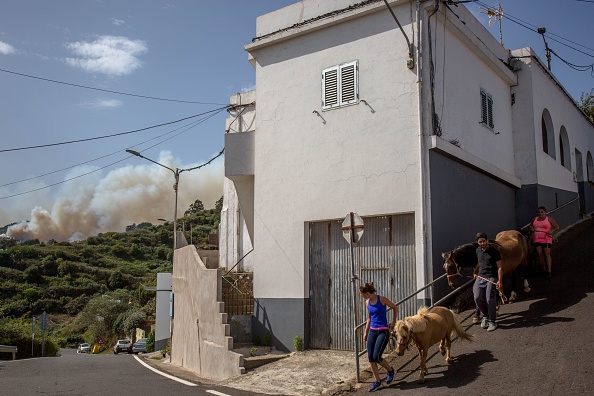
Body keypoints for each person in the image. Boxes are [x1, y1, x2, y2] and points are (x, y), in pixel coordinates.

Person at [359, 282, 398, 392]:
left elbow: (395, 308)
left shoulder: (382, 299)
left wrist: (394, 322)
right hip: (372, 331)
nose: (360, 296)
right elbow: (369, 318)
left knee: (376, 356)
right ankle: (377, 381)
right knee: (371, 358)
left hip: (383, 332)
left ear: (366, 293)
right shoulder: (367, 303)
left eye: (361, 294)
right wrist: (366, 332)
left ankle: (390, 371)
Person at [473, 232, 502, 332]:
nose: (482, 243)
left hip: (491, 277)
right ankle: (485, 316)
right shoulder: (478, 250)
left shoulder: (494, 251)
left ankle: (492, 321)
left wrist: (499, 281)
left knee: (490, 299)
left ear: (487, 240)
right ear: (477, 242)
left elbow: (500, 267)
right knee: (477, 297)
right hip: (480, 277)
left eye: (483, 241)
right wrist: (475, 272)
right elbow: (480, 262)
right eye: (480, 242)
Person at [530, 206, 559, 278]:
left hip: (546, 238)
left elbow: (556, 227)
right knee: (539, 254)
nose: (540, 214)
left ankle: (549, 270)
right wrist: (532, 229)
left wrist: (551, 231)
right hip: (537, 239)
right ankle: (544, 269)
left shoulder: (549, 219)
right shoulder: (535, 219)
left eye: (542, 212)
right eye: (539, 212)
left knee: (547, 254)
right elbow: (531, 226)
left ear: (545, 212)